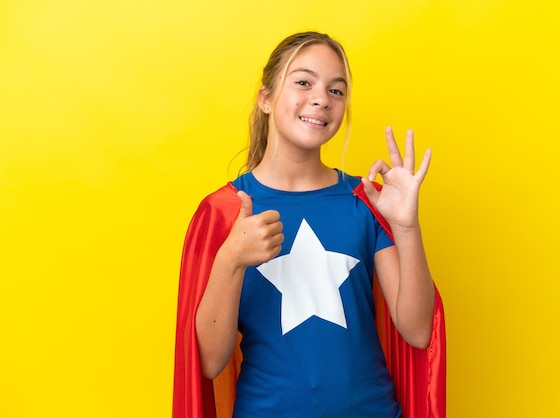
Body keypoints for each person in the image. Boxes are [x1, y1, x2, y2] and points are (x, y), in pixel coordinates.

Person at [173, 31, 446, 418]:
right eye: (303, 82)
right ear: (266, 99)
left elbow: (418, 332)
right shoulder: (224, 211)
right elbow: (208, 363)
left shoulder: (366, 202)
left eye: (337, 91)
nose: (321, 98)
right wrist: (231, 257)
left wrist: (405, 228)